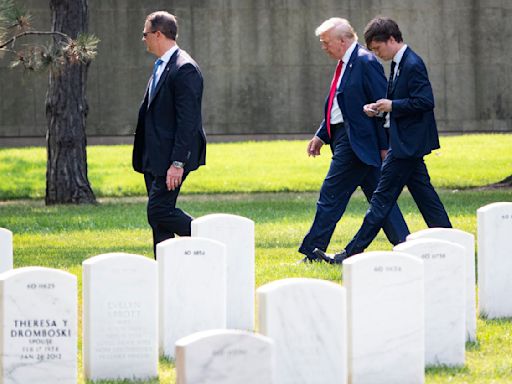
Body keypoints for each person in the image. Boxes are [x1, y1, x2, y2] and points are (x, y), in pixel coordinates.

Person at [317, 16, 452, 264]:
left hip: (404, 146)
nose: (377, 54)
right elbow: (401, 102)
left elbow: (425, 102)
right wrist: (380, 108)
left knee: (380, 201)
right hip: (405, 144)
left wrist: (392, 105)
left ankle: (349, 254)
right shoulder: (399, 64)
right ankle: (451, 242)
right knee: (425, 197)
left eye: (378, 48)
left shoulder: (412, 64)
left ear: (391, 40)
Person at [298, 18, 409, 263]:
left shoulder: (365, 62)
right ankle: (405, 244)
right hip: (346, 140)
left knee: (330, 196)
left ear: (342, 40)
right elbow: (340, 109)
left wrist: (384, 146)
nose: (323, 47)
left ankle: (312, 253)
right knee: (381, 199)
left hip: (357, 143)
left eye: (326, 42)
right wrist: (322, 134)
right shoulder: (344, 64)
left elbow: (381, 107)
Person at [132, 11, 206, 257]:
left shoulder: (184, 68)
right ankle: (164, 271)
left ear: (158, 34)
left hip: (171, 159)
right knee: (159, 221)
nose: (143, 39)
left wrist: (177, 162)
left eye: (145, 34)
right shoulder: (161, 65)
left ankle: (210, 239)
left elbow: (188, 122)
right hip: (153, 158)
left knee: (158, 210)